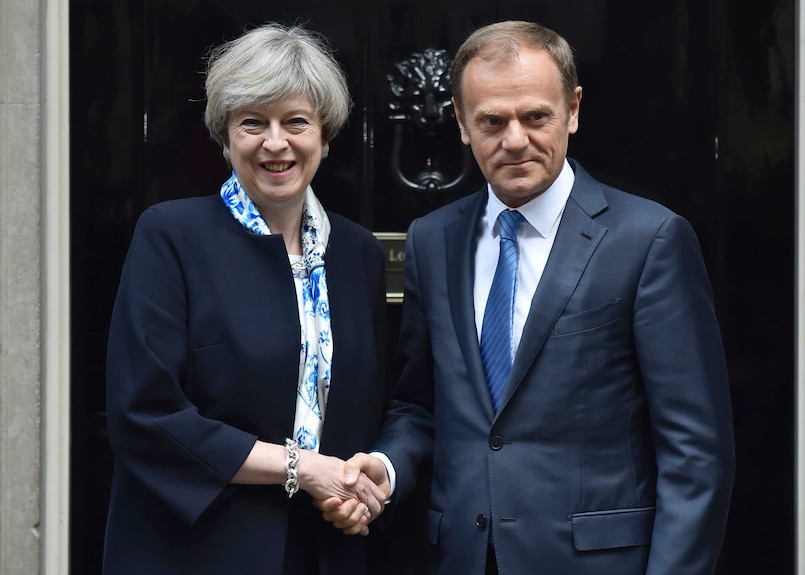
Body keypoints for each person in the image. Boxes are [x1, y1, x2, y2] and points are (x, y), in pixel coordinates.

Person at [319, 20, 735, 575]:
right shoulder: (433, 239)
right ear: (463, 124)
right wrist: (387, 468)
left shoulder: (649, 240)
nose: (515, 140)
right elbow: (420, 404)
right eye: (492, 121)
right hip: (460, 556)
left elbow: (696, 452)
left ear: (574, 109)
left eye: (536, 116)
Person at [103, 23, 390, 575]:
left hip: (329, 548)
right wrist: (299, 467)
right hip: (198, 549)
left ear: (325, 136)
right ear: (225, 136)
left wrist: (361, 490)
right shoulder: (171, 236)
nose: (275, 143)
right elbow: (145, 413)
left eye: (296, 122)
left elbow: (369, 412)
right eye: (253, 122)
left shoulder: (358, 254)